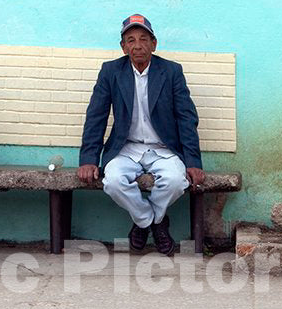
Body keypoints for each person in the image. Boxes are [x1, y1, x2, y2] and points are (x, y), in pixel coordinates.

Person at [77, 14, 205, 255]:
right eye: (131, 40)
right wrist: (88, 159)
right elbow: (96, 116)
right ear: (123, 47)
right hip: (127, 148)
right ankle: (153, 222)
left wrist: (193, 162)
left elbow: (187, 118)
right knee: (113, 182)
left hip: (164, 149)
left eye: (144, 39)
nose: (138, 45)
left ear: (154, 44)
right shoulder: (110, 72)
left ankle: (143, 223)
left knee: (177, 182)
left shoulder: (171, 72)